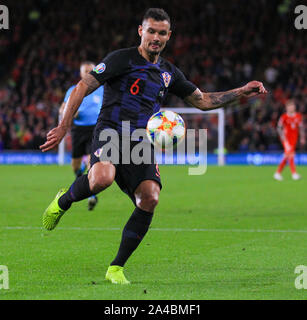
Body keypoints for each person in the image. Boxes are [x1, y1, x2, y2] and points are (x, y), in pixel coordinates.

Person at [40, 8, 267, 284]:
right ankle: (63, 201)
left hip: (140, 141)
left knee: (150, 197)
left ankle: (116, 267)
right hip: (111, 132)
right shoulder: (121, 59)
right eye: (151, 31)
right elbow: (82, 87)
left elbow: (203, 100)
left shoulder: (168, 73)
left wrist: (242, 91)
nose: (156, 37)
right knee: (102, 178)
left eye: (161, 33)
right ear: (141, 31)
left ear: (169, 36)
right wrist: (64, 126)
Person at [60, 61, 103, 210]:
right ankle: (83, 184)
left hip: (95, 129)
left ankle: (91, 195)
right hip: (78, 130)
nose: (88, 73)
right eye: (85, 71)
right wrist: (69, 113)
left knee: (92, 165)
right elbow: (62, 109)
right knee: (75, 166)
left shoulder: (102, 89)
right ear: (80, 73)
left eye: (90, 71)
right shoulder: (73, 89)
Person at [274, 100, 305, 181]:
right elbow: (279, 127)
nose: (291, 107)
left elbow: (301, 128)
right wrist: (283, 138)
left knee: (288, 156)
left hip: (294, 139)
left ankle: (278, 173)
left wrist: (302, 137)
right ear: (286, 108)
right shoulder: (284, 117)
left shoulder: (298, 116)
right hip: (286, 140)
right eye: (289, 106)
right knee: (291, 155)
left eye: (292, 106)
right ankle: (294, 174)